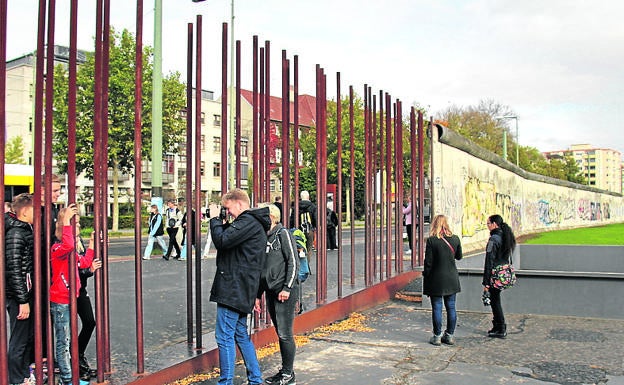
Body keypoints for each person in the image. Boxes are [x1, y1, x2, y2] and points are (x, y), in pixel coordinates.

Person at [209, 188, 271, 385]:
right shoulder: (253, 224)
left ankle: (226, 382)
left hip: (233, 288)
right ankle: (255, 379)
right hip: (242, 287)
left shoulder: (248, 222)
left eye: (228, 209)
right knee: (240, 335)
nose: (228, 213)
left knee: (224, 337)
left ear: (239, 203)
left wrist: (214, 220)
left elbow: (222, 240)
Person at [50, 204, 95, 385]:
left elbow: (83, 262)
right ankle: (67, 379)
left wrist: (92, 243)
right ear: (64, 225)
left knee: (67, 339)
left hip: (71, 298)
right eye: (73, 225)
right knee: (63, 342)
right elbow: (68, 245)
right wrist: (66, 219)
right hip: (61, 300)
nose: (77, 229)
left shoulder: (70, 249)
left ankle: (70, 376)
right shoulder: (58, 248)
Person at [255, 204, 299, 385]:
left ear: (271, 216)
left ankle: (288, 375)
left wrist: (287, 288)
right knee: (280, 332)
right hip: (271, 291)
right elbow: (261, 268)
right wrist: (257, 295)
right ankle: (285, 371)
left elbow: (293, 262)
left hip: (283, 292)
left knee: (285, 333)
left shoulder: (283, 234)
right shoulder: (263, 236)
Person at [5, 193, 36, 385]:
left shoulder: (25, 229)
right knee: (19, 339)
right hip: (18, 295)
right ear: (24, 211)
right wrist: (22, 300)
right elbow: (14, 269)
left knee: (26, 337)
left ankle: (24, 374)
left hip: (24, 292)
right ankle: (16, 379)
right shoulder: (16, 233)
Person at [423, 214, 462, 346]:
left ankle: (437, 336)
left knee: (437, 308)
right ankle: (450, 335)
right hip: (452, 278)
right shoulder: (455, 239)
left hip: (436, 279)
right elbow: (459, 256)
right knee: (451, 307)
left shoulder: (432, 241)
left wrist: (426, 276)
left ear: (434, 224)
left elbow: (428, 263)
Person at [75, 219, 102, 381]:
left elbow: (84, 262)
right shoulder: (65, 243)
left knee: (90, 322)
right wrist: (90, 270)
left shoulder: (79, 241)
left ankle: (78, 356)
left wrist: (93, 243)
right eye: (76, 223)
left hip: (81, 289)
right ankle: (75, 363)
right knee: (66, 329)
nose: (79, 225)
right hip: (68, 290)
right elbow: (74, 270)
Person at [482, 214, 517, 339]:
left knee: (495, 301)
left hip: (494, 275)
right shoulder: (506, 237)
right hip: (503, 274)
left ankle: (500, 327)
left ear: (494, 224)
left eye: (488, 224)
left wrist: (486, 282)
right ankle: (497, 326)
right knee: (496, 300)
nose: (487, 227)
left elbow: (489, 261)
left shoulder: (493, 240)